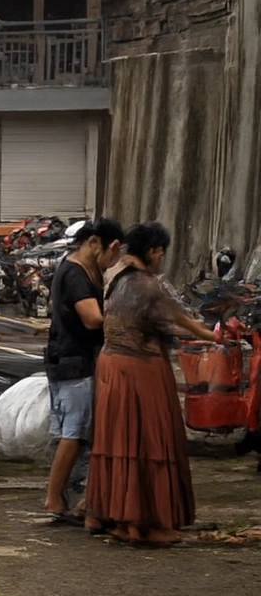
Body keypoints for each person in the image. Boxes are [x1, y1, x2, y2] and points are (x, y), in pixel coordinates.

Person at [84, 222, 215, 546]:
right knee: (148, 441)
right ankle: (142, 522)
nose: (162, 258)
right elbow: (179, 321)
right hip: (140, 368)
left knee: (116, 441)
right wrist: (213, 335)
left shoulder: (114, 275)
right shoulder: (149, 284)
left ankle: (107, 513)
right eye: (161, 252)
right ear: (153, 251)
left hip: (110, 365)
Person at [43, 217, 124, 522]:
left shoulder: (81, 268)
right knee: (73, 434)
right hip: (73, 361)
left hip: (72, 358)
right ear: (98, 244)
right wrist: (127, 319)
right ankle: (53, 498)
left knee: (77, 433)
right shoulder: (75, 273)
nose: (112, 260)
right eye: (113, 253)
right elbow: (92, 319)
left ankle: (71, 497)